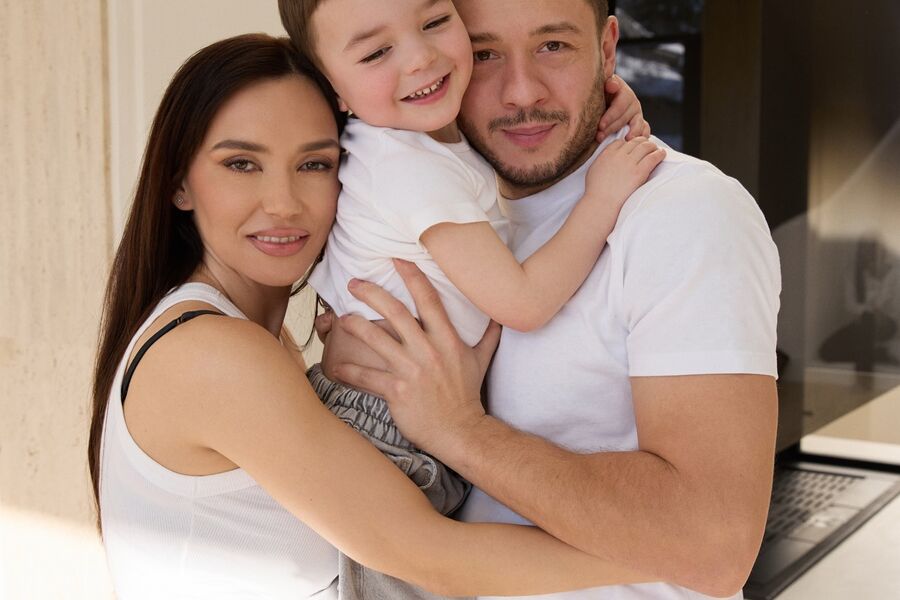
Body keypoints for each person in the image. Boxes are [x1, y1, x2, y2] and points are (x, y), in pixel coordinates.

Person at [88, 33, 659, 600]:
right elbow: (432, 559)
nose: (284, 203)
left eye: (314, 163)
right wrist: (670, 550)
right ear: (179, 183)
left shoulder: (271, 340)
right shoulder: (209, 354)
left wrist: (599, 111)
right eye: (241, 164)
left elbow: (435, 151)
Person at [323, 1, 783, 599]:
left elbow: (713, 545)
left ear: (607, 49)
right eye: (485, 53)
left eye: (554, 46)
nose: (522, 92)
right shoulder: (438, 188)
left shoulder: (684, 214)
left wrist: (459, 429)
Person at [276, 1, 659, 595]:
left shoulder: (419, 136)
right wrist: (602, 200)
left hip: (408, 413)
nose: (420, 58)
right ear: (332, 88)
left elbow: (508, 132)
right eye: (377, 52)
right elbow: (524, 304)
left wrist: (609, 96)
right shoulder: (408, 168)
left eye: (434, 23)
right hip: (385, 431)